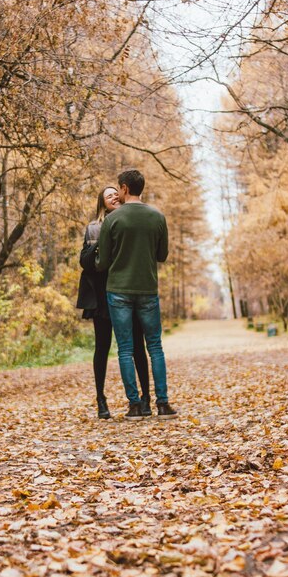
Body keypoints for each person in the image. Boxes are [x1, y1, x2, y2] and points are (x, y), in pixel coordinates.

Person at [96, 169, 177, 421]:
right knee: (155, 346)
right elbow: (162, 256)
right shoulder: (157, 217)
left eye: (119, 190)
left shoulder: (112, 220)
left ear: (124, 188)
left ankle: (135, 406)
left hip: (118, 290)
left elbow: (102, 263)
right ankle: (162, 404)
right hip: (147, 289)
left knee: (125, 349)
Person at [76, 186, 150, 419]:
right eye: (109, 196)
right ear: (102, 203)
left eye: (116, 194)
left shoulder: (128, 223)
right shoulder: (94, 228)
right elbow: (85, 262)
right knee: (102, 347)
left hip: (128, 292)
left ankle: (145, 398)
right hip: (102, 296)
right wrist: (101, 241)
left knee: (137, 345)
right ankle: (101, 399)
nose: (114, 197)